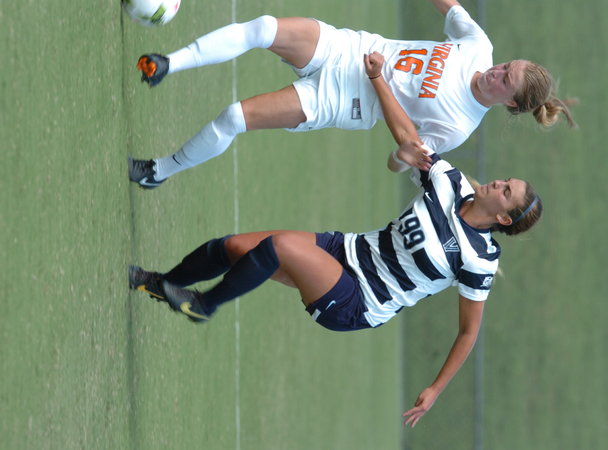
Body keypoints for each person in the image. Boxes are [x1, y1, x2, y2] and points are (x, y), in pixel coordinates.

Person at [128, 51, 543, 426]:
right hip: (344, 249)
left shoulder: (479, 259)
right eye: (506, 180)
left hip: (360, 299)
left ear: (504, 217)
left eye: (506, 190)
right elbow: (407, 138)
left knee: (277, 248)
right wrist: (378, 79)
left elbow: (468, 333)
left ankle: (204, 305)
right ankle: (158, 282)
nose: (499, 182)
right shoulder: (450, 183)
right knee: (233, 248)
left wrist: (435, 389)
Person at [128, 0, 575, 189]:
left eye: (505, 80)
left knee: (233, 117)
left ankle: (159, 171)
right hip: (351, 48)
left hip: (344, 101)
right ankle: (168, 63)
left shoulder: (458, 126)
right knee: (263, 28)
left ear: (510, 103)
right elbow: (450, 7)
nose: (496, 71)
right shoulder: (478, 46)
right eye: (506, 66)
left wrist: (403, 155)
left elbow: (400, 159)